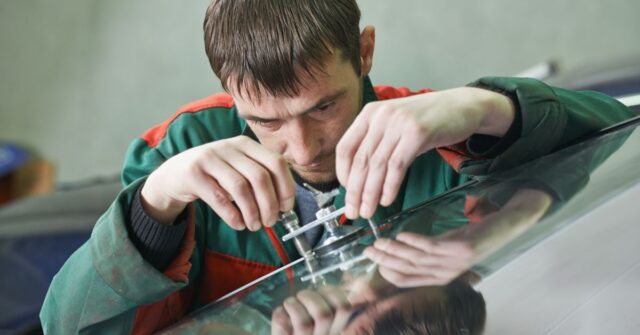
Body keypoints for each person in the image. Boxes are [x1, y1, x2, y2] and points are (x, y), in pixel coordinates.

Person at [40, 0, 633, 333]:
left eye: (324, 106)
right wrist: (156, 205)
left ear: (365, 51)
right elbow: (71, 327)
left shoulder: (437, 130)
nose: (302, 149)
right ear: (228, 88)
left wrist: (486, 106)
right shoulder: (178, 148)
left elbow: (614, 137)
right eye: (266, 121)